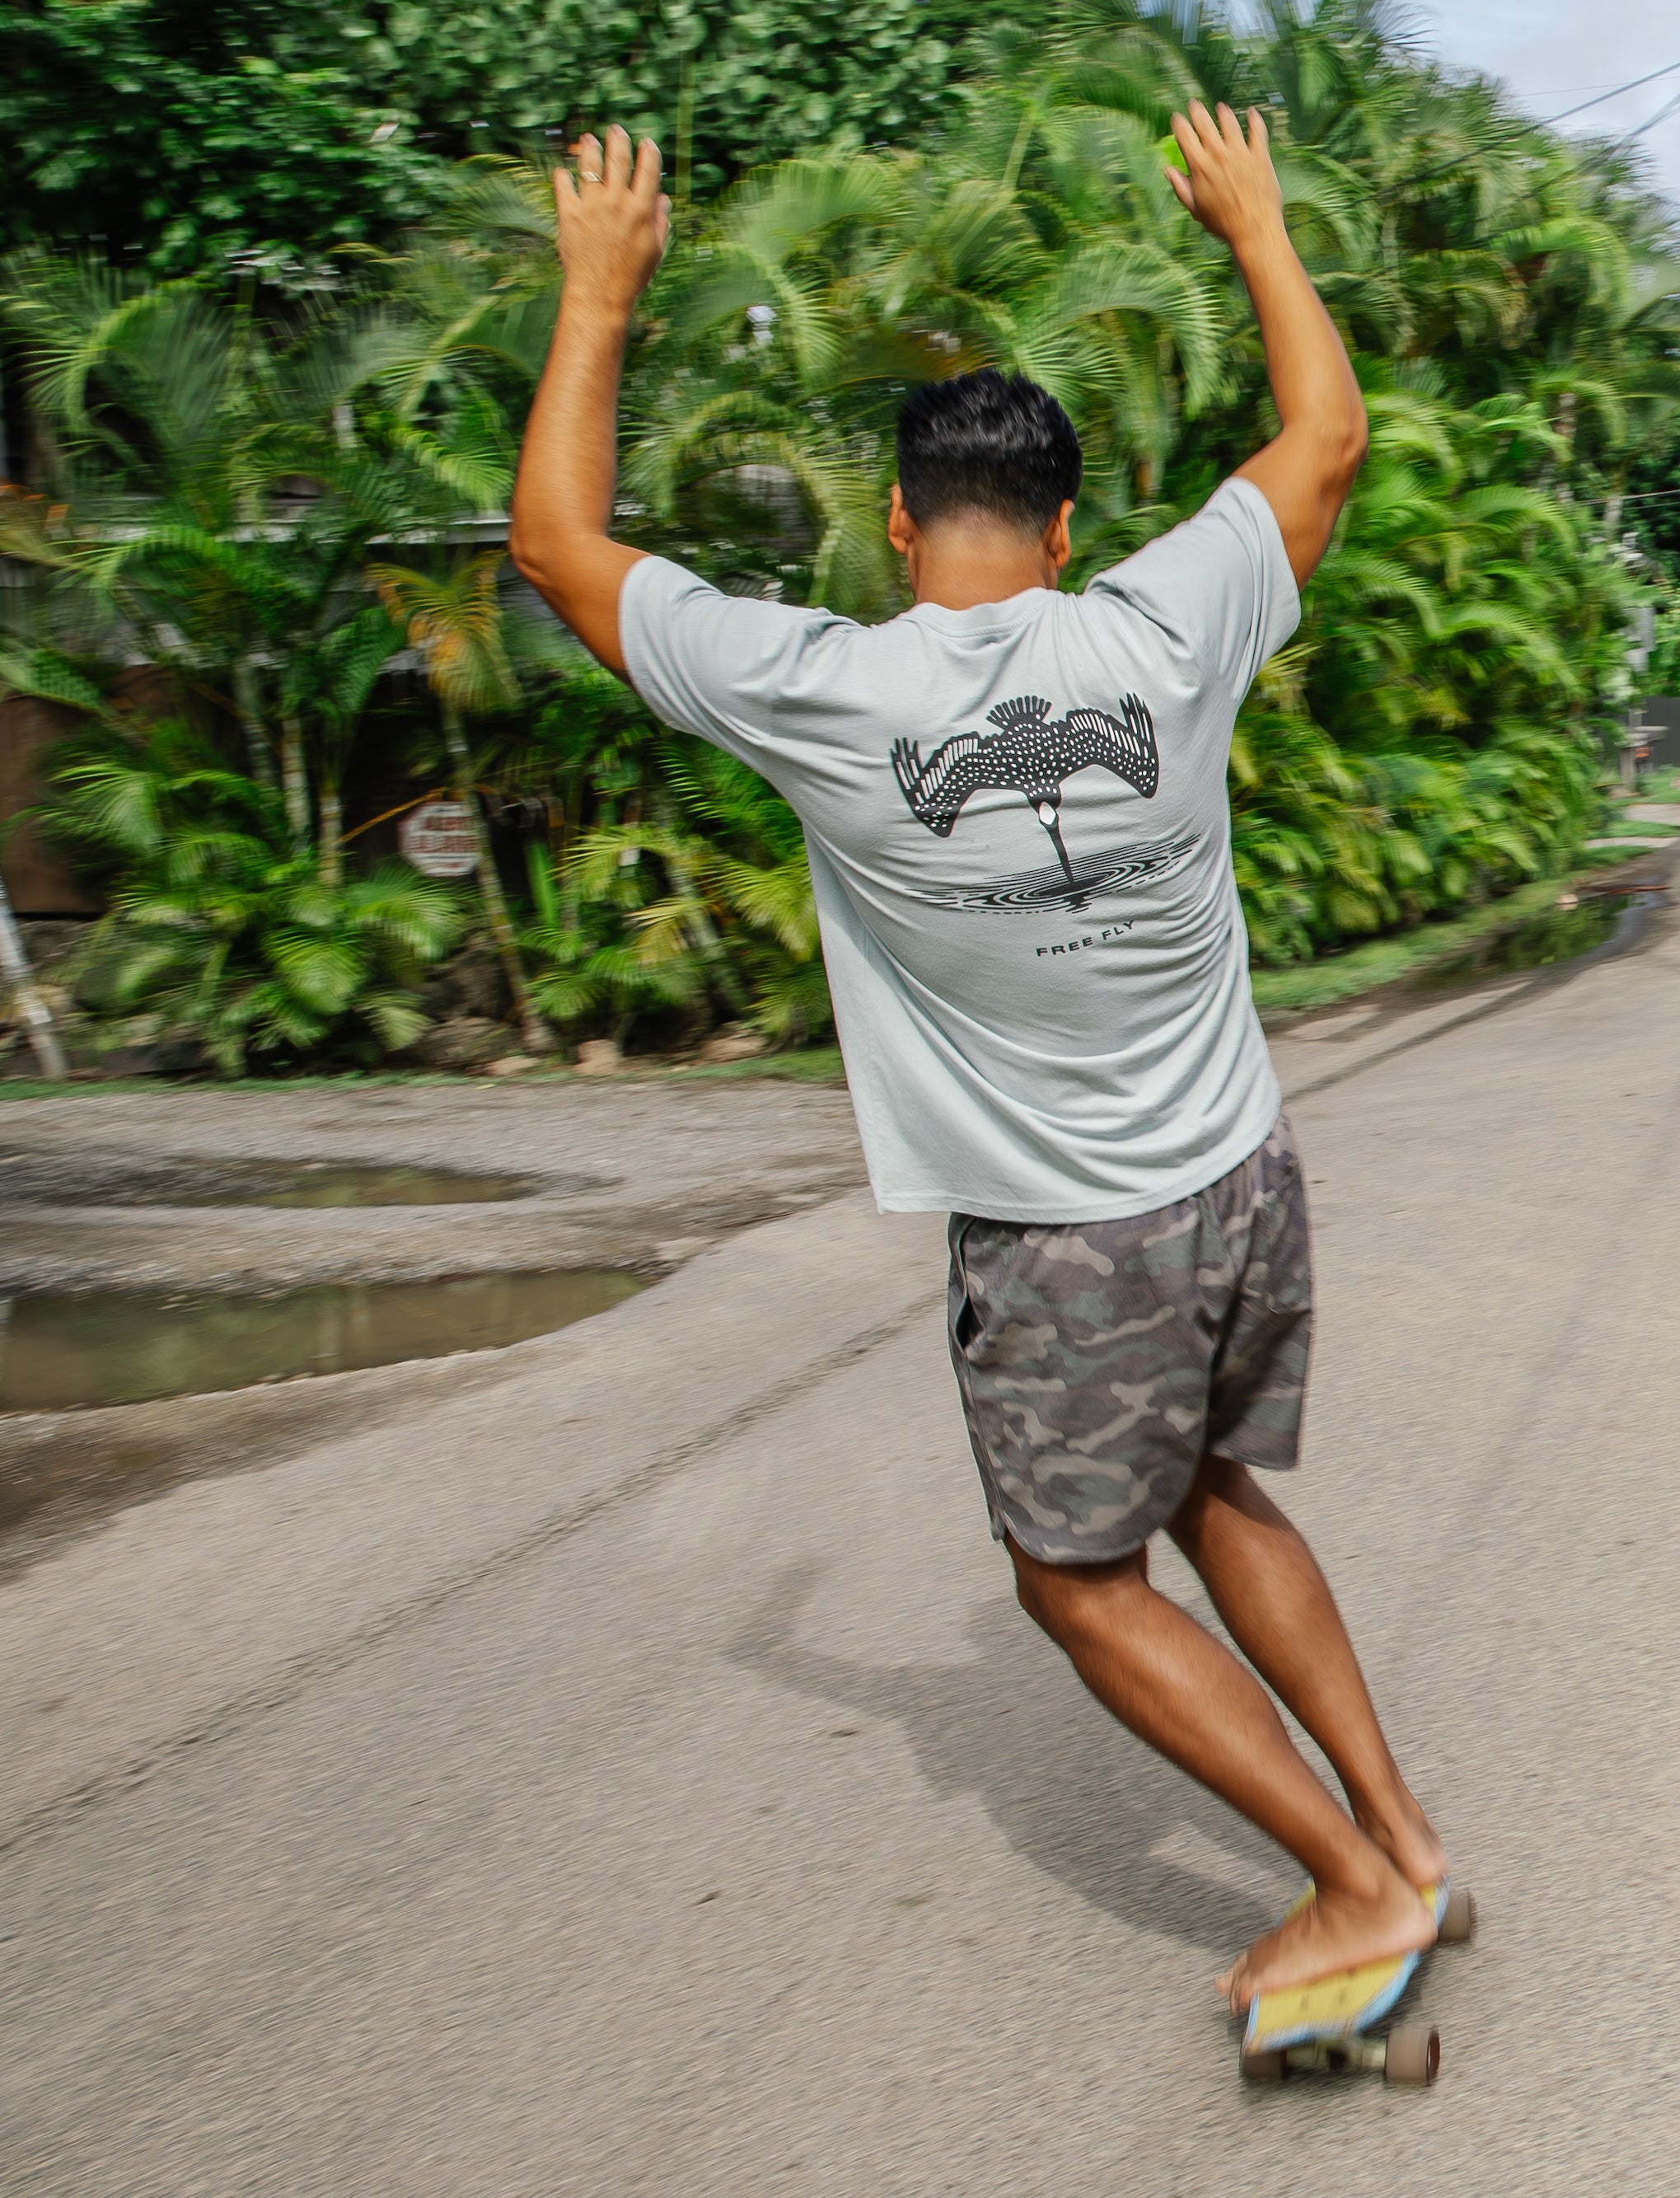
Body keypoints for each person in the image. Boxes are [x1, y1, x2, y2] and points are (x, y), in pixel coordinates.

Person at [509, 111, 1447, 2008]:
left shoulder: (827, 691)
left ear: (895, 523)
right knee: (1215, 1496)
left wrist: (598, 289)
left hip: (1059, 1235)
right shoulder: (1167, 624)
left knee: (1075, 1580)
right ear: (1067, 528)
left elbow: (555, 545)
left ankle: (1357, 1879)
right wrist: (1257, 224)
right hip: (1242, 1174)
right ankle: (1405, 1832)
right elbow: (1326, 436)